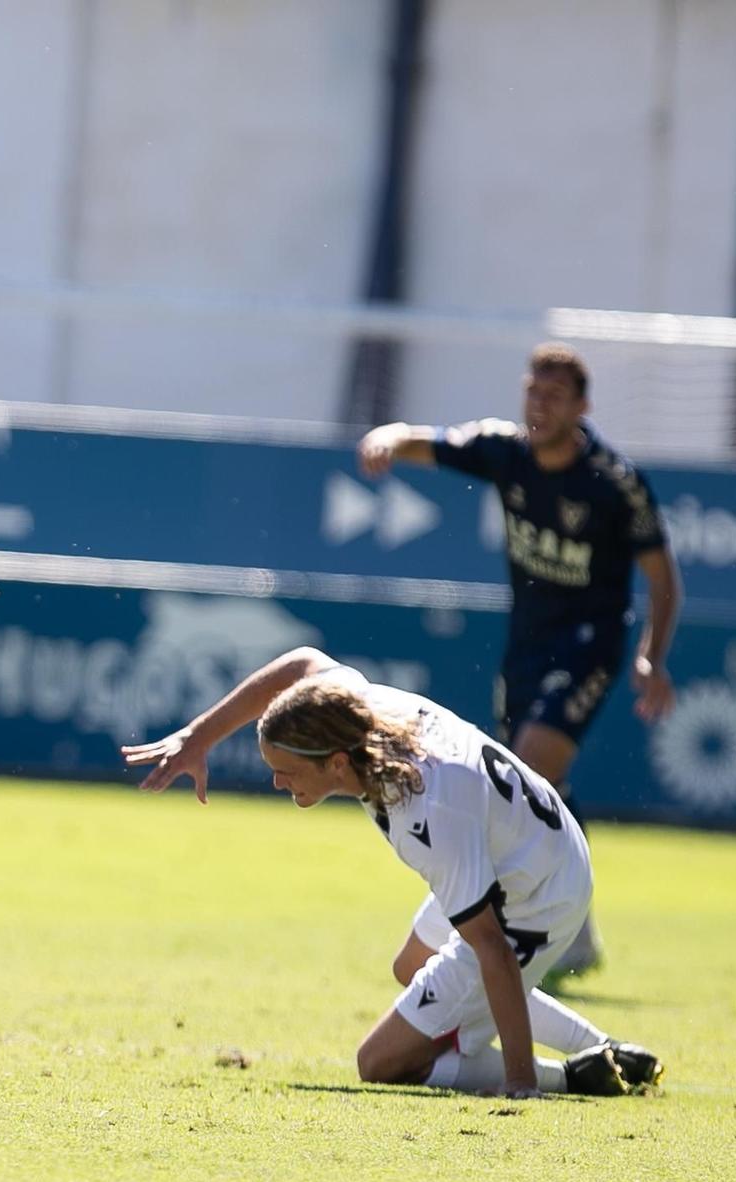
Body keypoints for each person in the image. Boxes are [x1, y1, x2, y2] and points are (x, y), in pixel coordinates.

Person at [123, 645, 663, 1098]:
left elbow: (493, 950)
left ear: (336, 763)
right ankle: (608, 1051)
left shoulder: (426, 808)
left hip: (539, 892)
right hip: (523, 843)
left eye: (286, 772)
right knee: (413, 965)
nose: (277, 784)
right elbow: (301, 664)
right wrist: (199, 737)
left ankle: (569, 1077)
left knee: (380, 1062)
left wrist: (521, 1084)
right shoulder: (352, 709)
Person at [356, 343, 683, 975]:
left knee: (526, 766)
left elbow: (662, 576)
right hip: (527, 645)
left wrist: (651, 657)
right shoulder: (505, 451)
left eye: (554, 397)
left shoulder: (614, 484)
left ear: (582, 407)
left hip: (590, 646)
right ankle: (575, 927)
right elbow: (432, 442)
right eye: (533, 392)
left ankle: (499, 937)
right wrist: (390, 439)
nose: (539, 406)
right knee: (535, 789)